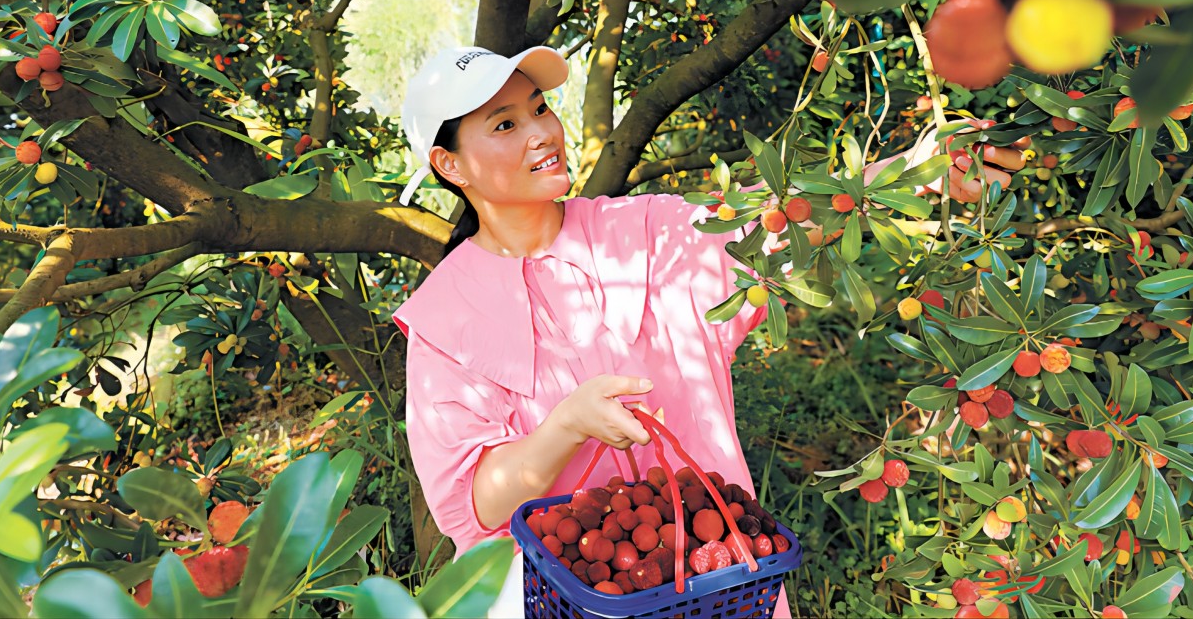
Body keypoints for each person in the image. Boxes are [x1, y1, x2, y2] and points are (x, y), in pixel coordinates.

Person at [391, 45, 1021, 617]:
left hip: (716, 583)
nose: (541, 133)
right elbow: (478, 504)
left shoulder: (643, 233)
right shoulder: (446, 320)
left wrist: (915, 175)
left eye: (539, 108)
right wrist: (566, 426)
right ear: (451, 164)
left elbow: (768, 224)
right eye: (505, 125)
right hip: (562, 596)